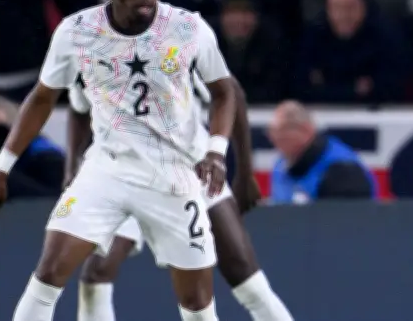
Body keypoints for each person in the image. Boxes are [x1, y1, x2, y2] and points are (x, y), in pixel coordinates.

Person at [0, 0, 234, 321]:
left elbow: (224, 92)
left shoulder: (189, 29)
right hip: (107, 168)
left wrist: (216, 151)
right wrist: (2, 167)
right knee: (49, 272)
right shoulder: (77, 32)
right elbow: (42, 98)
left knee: (197, 303)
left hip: (173, 175)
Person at [66, 73, 292, 320]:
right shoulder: (87, 53)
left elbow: (232, 93)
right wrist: (71, 169)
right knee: (97, 273)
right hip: (124, 172)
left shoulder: (181, 48)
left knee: (245, 278)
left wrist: (245, 173)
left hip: (188, 166)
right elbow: (79, 108)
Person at [267, 100, 376, 203]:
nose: (276, 142)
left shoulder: (344, 171)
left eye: (283, 135)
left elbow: (349, 214)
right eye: (273, 134)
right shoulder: (281, 165)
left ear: (306, 129)